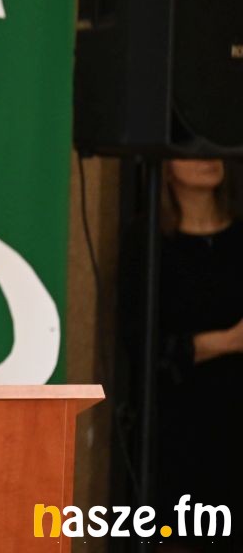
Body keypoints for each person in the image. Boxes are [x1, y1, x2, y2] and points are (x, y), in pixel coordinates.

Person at [155, 158, 243, 550]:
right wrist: (226, 341)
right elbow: (143, 343)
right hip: (182, 430)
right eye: (191, 150)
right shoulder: (153, 245)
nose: (208, 158)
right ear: (166, 165)